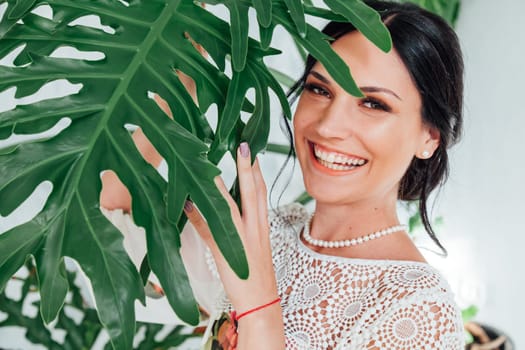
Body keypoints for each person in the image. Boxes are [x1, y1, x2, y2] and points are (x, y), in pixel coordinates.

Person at [101, 1, 465, 348]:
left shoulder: (417, 311)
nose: (329, 125)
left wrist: (257, 307)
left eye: (373, 103)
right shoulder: (270, 234)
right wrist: (182, 85)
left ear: (430, 137)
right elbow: (113, 205)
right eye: (320, 89)